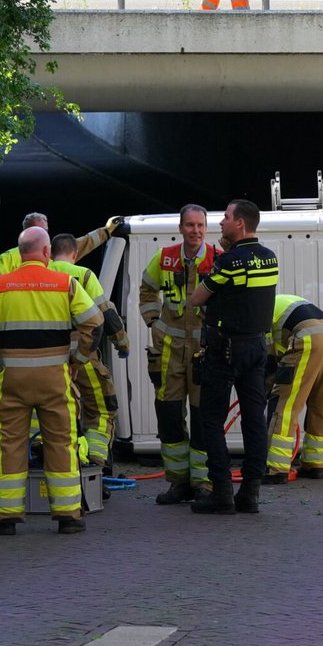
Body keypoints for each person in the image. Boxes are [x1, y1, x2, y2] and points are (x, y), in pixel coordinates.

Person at [0, 226, 102, 535]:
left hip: (11, 378)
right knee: (61, 443)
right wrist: (76, 361)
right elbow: (94, 324)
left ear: (19, 254)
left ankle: (4, 518)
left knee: (9, 444)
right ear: (46, 253)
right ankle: (69, 515)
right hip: (55, 378)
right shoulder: (65, 284)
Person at [187, 199, 278, 514]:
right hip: (257, 348)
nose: (221, 223)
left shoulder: (228, 262)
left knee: (211, 418)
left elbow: (197, 299)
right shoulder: (270, 258)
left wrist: (218, 266)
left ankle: (222, 493)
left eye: (225, 217)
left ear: (240, 223)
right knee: (254, 420)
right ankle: (250, 494)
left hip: (224, 349)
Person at [139, 204, 223, 504]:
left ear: (206, 228)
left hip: (205, 353)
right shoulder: (164, 258)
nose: (195, 231)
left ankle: (202, 483)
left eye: (200, 225)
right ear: (180, 228)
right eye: (190, 225)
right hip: (168, 354)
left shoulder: (218, 259)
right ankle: (178, 483)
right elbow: (147, 290)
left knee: (203, 418)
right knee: (169, 416)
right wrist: (154, 322)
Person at [51, 233, 129, 465]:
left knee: (52, 409)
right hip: (81, 355)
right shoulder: (83, 275)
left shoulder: (39, 275)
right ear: (74, 254)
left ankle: (46, 456)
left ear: (51, 253)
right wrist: (122, 343)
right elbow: (105, 313)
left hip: (45, 357)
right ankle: (96, 463)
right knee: (101, 408)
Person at [262, 292, 323, 482]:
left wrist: (266, 391)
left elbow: (269, 363)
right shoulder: (276, 301)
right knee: (321, 403)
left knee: (284, 403)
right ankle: (314, 465)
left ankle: (276, 468)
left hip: (307, 338)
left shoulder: (259, 314)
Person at [0, 213, 119, 292]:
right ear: (25, 232)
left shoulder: (53, 251)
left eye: (45, 231)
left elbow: (79, 244)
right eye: (39, 231)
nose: (43, 235)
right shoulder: (12, 256)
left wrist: (105, 232)